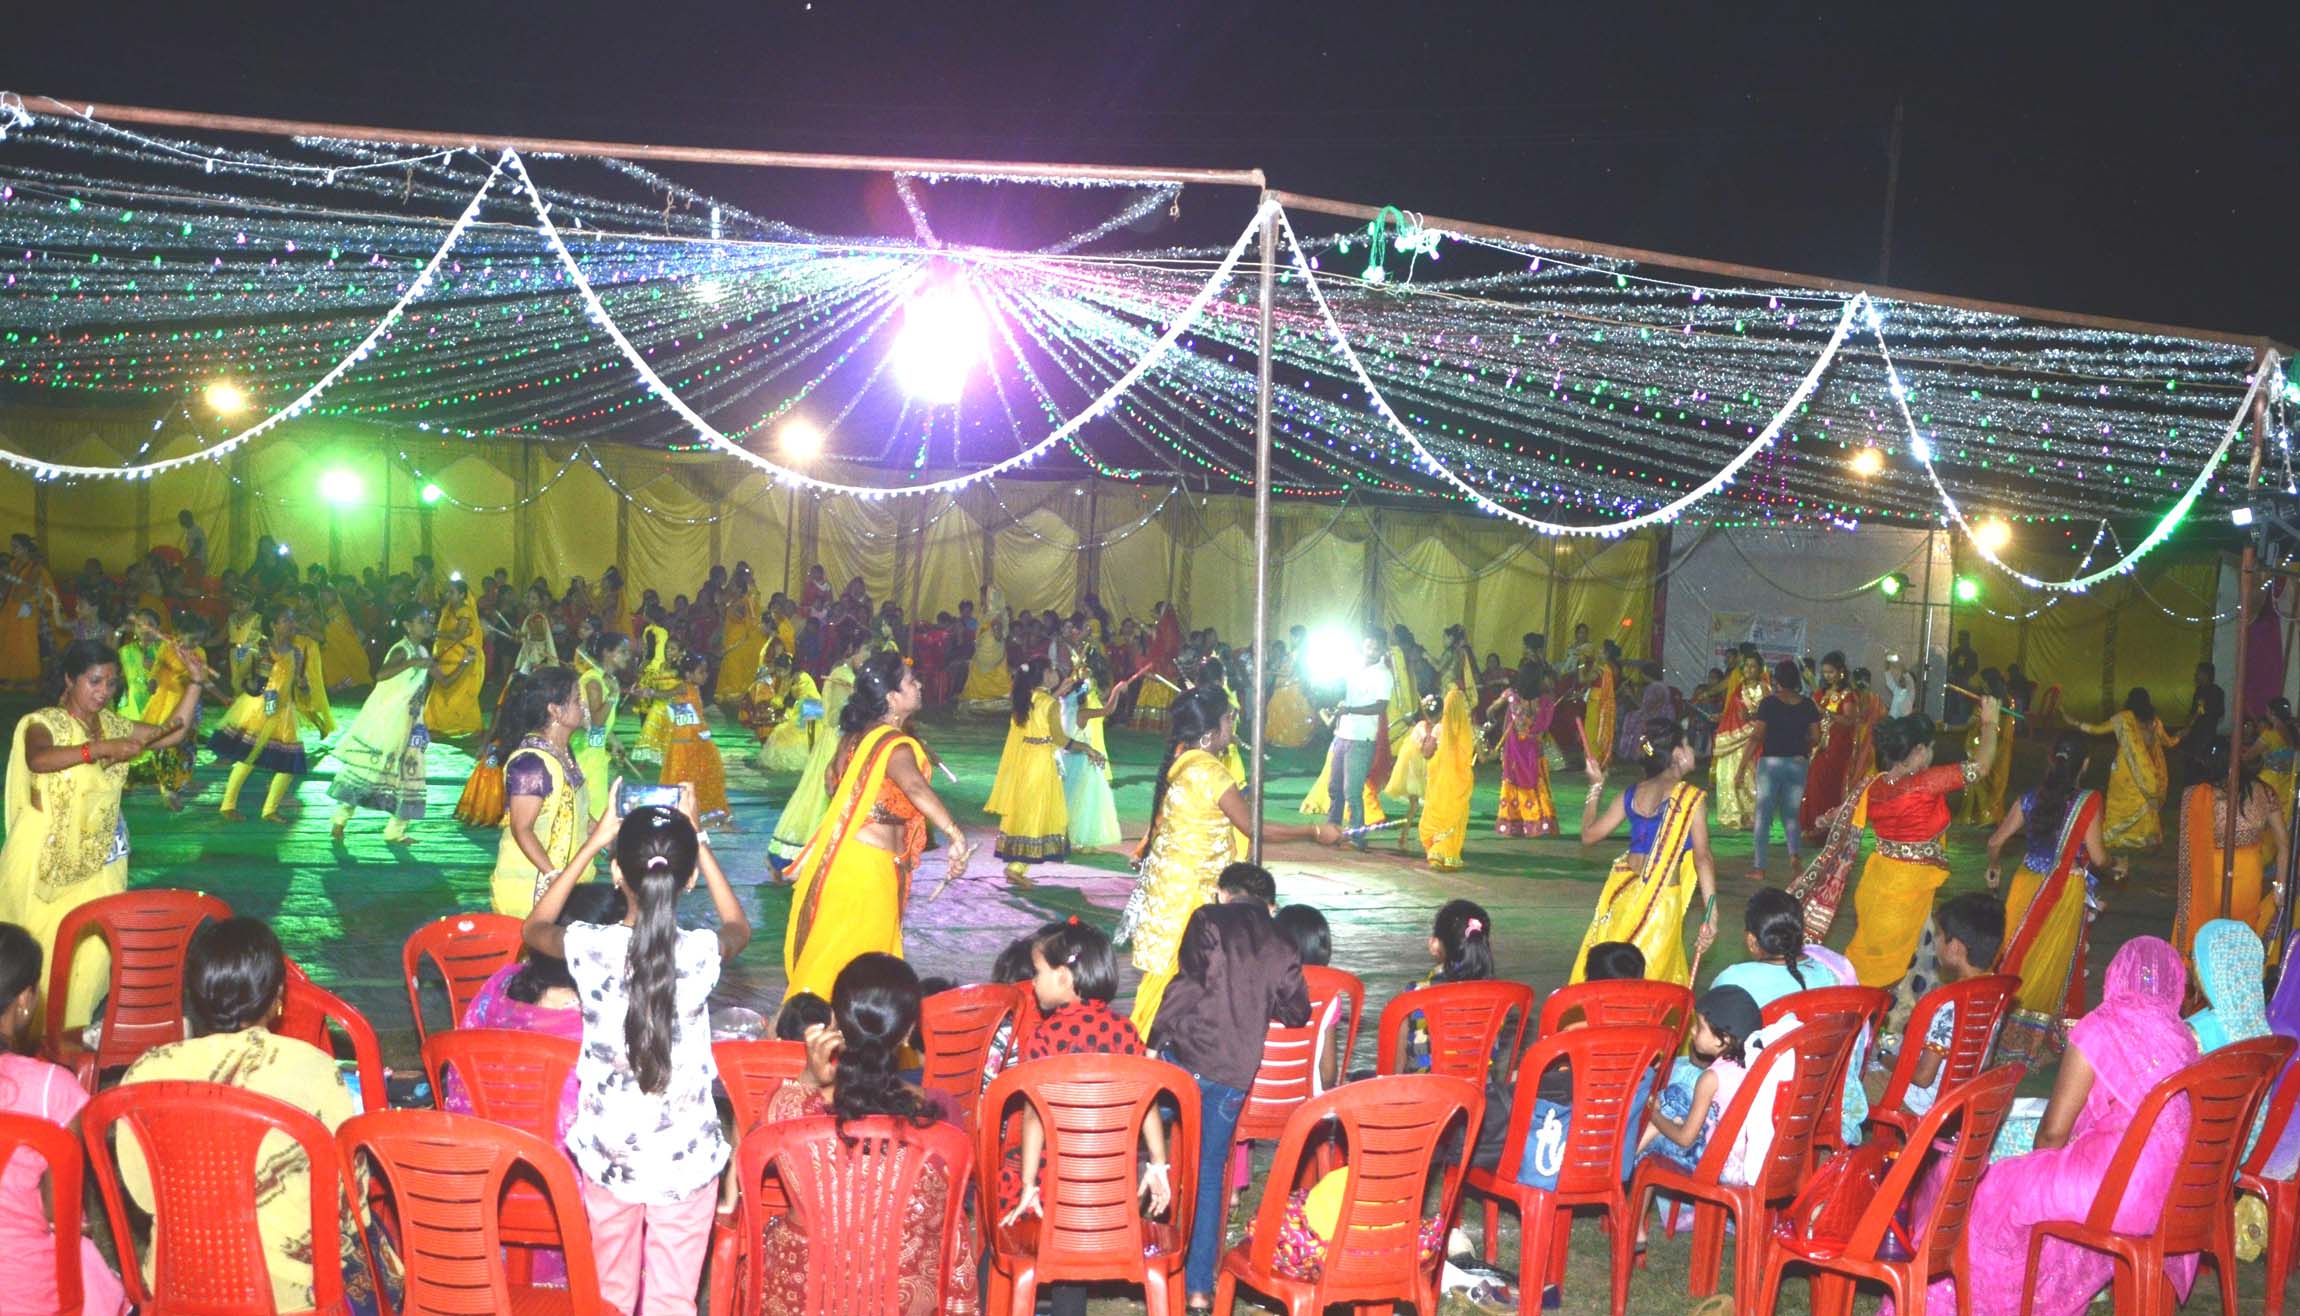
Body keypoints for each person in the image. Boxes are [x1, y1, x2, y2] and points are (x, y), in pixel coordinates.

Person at [523, 798, 750, 1316]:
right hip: (685, 1160)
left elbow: (534, 929)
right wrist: (701, 842)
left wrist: (593, 843)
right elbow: (738, 925)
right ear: (688, 879)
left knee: (610, 1296)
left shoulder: (588, 946)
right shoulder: (700, 952)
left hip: (609, 1156)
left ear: (616, 873)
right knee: (673, 1300)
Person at [1929, 937, 2200, 1316]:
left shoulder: (2103, 1026)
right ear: (2175, 986)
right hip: (2176, 1196)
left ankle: (1976, 1304)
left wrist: (2034, 1170)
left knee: (1991, 1192)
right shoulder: (2183, 1039)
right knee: (2034, 1199)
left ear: (2115, 978)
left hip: (2115, 1189)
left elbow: (2053, 1134)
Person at [115, 918, 375, 1312]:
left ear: (194, 996)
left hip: (179, 1280)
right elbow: (349, 1204)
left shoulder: (146, 1072)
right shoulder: (315, 1069)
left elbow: (143, 1194)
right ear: (278, 997)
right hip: (287, 1293)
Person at [751, 954, 980, 1316]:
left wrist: (808, 1079)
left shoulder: (788, 1112)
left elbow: (751, 1148)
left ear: (835, 1022)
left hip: (806, 1296)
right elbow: (951, 1209)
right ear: (907, 1032)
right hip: (903, 1295)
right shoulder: (939, 1115)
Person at [0, 640, 203, 1030]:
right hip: (45, 857)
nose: (103, 692)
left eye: (111, 684)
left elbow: (171, 734)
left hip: (98, 858)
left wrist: (193, 683)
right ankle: (26, 1047)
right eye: (94, 681)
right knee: (38, 955)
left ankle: (68, 1042)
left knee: (89, 959)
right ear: (69, 679)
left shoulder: (114, 724)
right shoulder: (44, 722)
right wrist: (99, 748)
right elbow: (39, 758)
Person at [1116, 684, 1341, 1032]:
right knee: (1177, 981)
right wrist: (1313, 832)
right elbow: (1253, 827)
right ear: (1209, 734)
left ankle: (1151, 1046)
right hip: (1193, 892)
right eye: (1227, 719)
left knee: (1168, 977)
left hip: (1173, 890)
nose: (1232, 725)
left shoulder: (1184, 762)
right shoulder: (1210, 772)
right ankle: (1152, 1051)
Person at [995, 919, 1172, 1316]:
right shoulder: (1126, 1032)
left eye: (1038, 973)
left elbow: (1033, 1118)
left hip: (1054, 1185)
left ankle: (998, 1300)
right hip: (1107, 1186)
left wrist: (1025, 1183)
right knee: (1070, 1213)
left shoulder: (1044, 1037)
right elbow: (1148, 1102)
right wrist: (1159, 1164)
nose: (1034, 982)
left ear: (1062, 976)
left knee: (998, 1198)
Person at [1148, 896, 1311, 1313]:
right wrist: (1260, 999)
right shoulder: (1283, 943)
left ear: (1225, 893)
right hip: (1233, 1076)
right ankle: (1200, 1290)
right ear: (1269, 905)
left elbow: (1186, 986)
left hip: (1188, 1062)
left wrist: (1153, 1045)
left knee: (1140, 1129)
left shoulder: (1209, 918)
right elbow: (1297, 1012)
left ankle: (1136, 1243)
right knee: (1208, 1174)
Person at [780, 653, 972, 1000]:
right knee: (854, 968)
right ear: (892, 698)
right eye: (911, 681)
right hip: (865, 870)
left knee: (843, 964)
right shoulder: (891, 744)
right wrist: (955, 834)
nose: (920, 685)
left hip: (857, 863)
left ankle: (815, 1030)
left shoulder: (854, 739)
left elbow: (832, 784)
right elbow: (915, 788)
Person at [0, 922, 129, 1316]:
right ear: (25, 1000)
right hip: (31, 1299)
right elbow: (63, 1216)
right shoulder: (51, 1090)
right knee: (89, 1261)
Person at [1833, 706, 1999, 987]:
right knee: (1887, 972)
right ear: (1920, 749)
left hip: (1877, 884)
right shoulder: (1925, 783)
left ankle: (1868, 1013)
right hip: (1905, 892)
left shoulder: (1875, 784)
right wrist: (1991, 723)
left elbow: (1842, 814)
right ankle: (1867, 1015)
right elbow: (1980, 767)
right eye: (1931, 748)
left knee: (1878, 959)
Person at [1986, 732, 2108, 1063]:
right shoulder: (2088, 802)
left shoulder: (2029, 798)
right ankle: (2035, 1041)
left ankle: (2002, 1030)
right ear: (2085, 764)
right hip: (2063, 889)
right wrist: (2116, 864)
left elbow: (1996, 842)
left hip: (2026, 884)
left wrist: (1994, 869)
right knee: (2050, 962)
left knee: (2017, 953)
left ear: (2051, 760)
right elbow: (2097, 858)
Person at [1571, 719, 1719, 986]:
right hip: (1660, 905)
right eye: (1686, 745)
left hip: (1622, 899)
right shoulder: (1691, 799)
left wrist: (1595, 787)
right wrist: (1712, 912)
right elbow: (1703, 857)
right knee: (1650, 980)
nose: (1692, 751)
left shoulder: (1632, 793)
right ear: (1676, 754)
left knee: (1615, 977)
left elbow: (1588, 835)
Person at [327, 604, 438, 843]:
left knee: (411, 770)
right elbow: (381, 675)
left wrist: (465, 663)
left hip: (413, 722)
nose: (428, 625)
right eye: (423, 620)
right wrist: (411, 663)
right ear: (408, 625)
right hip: (391, 722)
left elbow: (444, 681)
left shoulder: (423, 653)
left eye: (430, 620)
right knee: (369, 768)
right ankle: (340, 818)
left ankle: (395, 830)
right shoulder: (402, 651)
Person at [1889, 892, 2003, 1122]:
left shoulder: (1951, 1003)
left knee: (1852, 1081)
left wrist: (1882, 1057)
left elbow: (1923, 1077)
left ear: (1956, 948)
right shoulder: (1996, 992)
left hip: (1921, 1102)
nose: (1937, 942)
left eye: (1940, 935)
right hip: (1960, 1096)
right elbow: (1986, 1061)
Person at [2174, 734, 2286, 962]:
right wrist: (2280, 888)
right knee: (2238, 942)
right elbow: (2284, 843)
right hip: (2247, 882)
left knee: (2206, 940)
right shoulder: (2265, 792)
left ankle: (2200, 981)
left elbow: (2188, 854)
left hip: (2209, 883)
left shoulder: (2197, 795)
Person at [487, 667, 590, 918]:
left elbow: (579, 815)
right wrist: (553, 877)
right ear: (555, 710)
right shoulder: (531, 762)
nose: (584, 705)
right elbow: (521, 828)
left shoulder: (563, 753)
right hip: (532, 890)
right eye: (577, 700)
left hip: (565, 887)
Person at [768, 629, 870, 873]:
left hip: (844, 741)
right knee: (825, 798)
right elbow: (836, 717)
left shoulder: (848, 674)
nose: (868, 657)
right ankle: (816, 851)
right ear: (852, 650)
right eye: (866, 651)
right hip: (836, 744)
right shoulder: (841, 676)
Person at [1635, 985, 1758, 1176]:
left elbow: (1686, 1139)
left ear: (1722, 1039)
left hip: (1719, 1168)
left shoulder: (1711, 1078)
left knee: (1654, 1132)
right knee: (1677, 1095)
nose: (1692, 1031)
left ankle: (1616, 1170)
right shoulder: (1756, 1063)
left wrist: (1651, 1112)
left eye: (1699, 1027)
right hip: (1750, 1162)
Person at [208, 611, 315, 823]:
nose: (292, 624)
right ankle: (228, 804)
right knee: (248, 757)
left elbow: (301, 685)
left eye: (293, 619)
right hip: (260, 708)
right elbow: (243, 676)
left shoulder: (296, 652)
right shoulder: (260, 647)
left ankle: (270, 810)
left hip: (283, 711)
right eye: (286, 619)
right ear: (273, 625)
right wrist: (251, 676)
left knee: (288, 765)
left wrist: (304, 687)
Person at [988, 658, 1084, 886]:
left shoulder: (1025, 698)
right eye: (1051, 670)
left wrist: (1058, 693)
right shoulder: (1048, 704)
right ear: (1043, 676)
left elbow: (1040, 709)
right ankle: (1015, 868)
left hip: (1025, 761)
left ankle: (1018, 867)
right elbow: (1061, 739)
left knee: (1027, 811)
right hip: (1041, 763)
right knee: (1036, 813)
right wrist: (1087, 748)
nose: (1055, 673)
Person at [2068, 687, 2179, 878]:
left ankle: (2117, 837)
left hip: (2126, 772)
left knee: (2121, 803)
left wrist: (2075, 723)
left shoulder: (2124, 718)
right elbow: (2168, 742)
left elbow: (2097, 729)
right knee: (2143, 803)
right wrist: (2180, 737)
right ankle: (2143, 838)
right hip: (2149, 773)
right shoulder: (2155, 722)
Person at [638, 651, 733, 829]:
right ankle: (681, 812)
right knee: (684, 776)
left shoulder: (695, 689)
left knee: (706, 775)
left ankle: (702, 812)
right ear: (689, 674)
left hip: (698, 739)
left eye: (706, 671)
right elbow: (665, 694)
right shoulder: (684, 687)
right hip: (685, 743)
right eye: (701, 672)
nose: (705, 675)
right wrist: (650, 692)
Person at [1322, 628, 1396, 848]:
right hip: (1343, 734)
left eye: (1376, 647)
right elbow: (1342, 690)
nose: (1371, 651)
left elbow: (1380, 706)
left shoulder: (1383, 674)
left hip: (1362, 739)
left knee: (1352, 791)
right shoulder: (1353, 665)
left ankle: (1357, 835)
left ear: (1383, 649)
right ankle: (1332, 829)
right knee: (1334, 788)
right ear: (1362, 645)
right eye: (1368, 646)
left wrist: (1351, 709)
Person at [1748, 659, 1821, 881]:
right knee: (1791, 814)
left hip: (1771, 763)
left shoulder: (1768, 704)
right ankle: (1794, 858)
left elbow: (1758, 735)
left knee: (1763, 815)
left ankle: (1760, 868)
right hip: (1797, 763)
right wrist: (1801, 742)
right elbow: (1817, 737)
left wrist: (1742, 766)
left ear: (1776, 679)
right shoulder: (1808, 705)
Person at [130, 610, 207, 810]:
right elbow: (156, 668)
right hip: (167, 703)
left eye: (200, 639)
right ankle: (168, 789)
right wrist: (154, 681)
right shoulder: (167, 648)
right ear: (179, 634)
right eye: (193, 638)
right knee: (168, 748)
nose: (196, 643)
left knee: (189, 746)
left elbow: (202, 678)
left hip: (190, 703)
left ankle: (183, 779)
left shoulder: (200, 653)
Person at [1056, 662, 1123, 852]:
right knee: (1084, 803)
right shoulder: (1082, 713)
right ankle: (1079, 839)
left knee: (1067, 801)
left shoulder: (1059, 707)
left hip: (1063, 760)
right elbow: (1108, 710)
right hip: (1080, 762)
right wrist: (1116, 690)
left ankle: (1064, 836)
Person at [573, 632, 634, 825]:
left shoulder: (606, 679)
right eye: (622, 651)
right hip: (585, 753)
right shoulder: (594, 682)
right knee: (592, 811)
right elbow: (597, 722)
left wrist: (613, 740)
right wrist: (614, 695)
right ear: (607, 653)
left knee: (592, 810)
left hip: (595, 752)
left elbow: (601, 725)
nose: (628, 656)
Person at [1797, 652, 1857, 842]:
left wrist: (1827, 714)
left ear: (1841, 672)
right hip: (1820, 746)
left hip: (1837, 748)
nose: (1827, 676)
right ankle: (1813, 825)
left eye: (1831, 672)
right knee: (1814, 784)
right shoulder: (1822, 693)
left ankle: (1826, 829)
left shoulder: (1847, 696)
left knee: (1828, 785)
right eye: (1824, 673)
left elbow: (1849, 721)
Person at [1706, 647, 1767, 831]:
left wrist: (1751, 715)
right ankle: (1732, 815)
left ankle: (1750, 816)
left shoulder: (1764, 688)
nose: (1749, 670)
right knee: (1727, 774)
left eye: (1753, 666)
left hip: (1751, 738)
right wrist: (1721, 717)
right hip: (1733, 737)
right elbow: (1732, 712)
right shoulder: (1739, 688)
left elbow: (1765, 714)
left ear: (1760, 669)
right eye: (1746, 666)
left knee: (1747, 778)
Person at [1493, 672, 1560, 838]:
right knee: (1537, 783)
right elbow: (1544, 726)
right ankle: (1539, 823)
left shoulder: (1512, 697)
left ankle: (1513, 824)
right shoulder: (1545, 702)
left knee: (1513, 782)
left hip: (1514, 750)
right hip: (1533, 749)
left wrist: (1493, 720)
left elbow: (1491, 710)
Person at [1420, 689, 1478, 870]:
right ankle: (1447, 853)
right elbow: (1483, 758)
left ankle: (1437, 852)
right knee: (1455, 816)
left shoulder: (1439, 728)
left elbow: (1427, 753)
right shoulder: (1470, 731)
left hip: (1440, 783)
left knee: (1439, 813)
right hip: (1459, 783)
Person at [424, 577, 487, 740]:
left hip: (460, 656)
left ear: (461, 595)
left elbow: (459, 635)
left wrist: (435, 633)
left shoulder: (464, 612)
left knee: (460, 692)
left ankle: (469, 726)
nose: (447, 595)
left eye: (451, 592)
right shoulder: (448, 609)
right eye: (447, 592)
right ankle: (436, 724)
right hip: (447, 655)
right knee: (442, 689)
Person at [1957, 669, 2018, 826]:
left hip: (1984, 744)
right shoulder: (2009, 701)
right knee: (1997, 780)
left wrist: (1949, 728)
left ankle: (1979, 815)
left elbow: (1971, 723)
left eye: (1983, 681)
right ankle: (1991, 813)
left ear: (1987, 683)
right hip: (2002, 747)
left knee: (1977, 775)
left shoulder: (1986, 703)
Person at [0, 536, 61, 686]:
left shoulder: (35, 567)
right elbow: (8, 588)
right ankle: (10, 677)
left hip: (27, 612)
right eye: (12, 546)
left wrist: (7, 576)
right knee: (9, 643)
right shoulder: (14, 564)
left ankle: (28, 679)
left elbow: (30, 588)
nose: (13, 550)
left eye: (16, 547)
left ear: (26, 549)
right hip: (11, 610)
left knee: (25, 644)